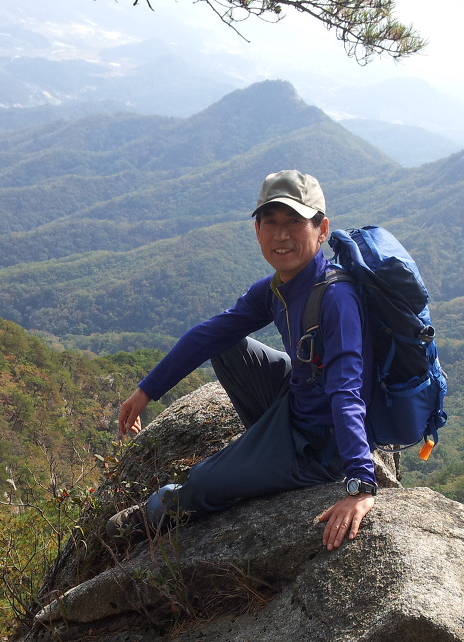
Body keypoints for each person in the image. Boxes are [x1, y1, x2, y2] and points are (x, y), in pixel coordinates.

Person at [108, 170, 377, 551]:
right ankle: (260, 449)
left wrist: (360, 483)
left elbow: (347, 390)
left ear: (322, 229)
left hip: (317, 446)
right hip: (297, 400)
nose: (281, 235)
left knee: (202, 482)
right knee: (225, 341)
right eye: (271, 222)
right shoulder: (278, 288)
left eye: (295, 222)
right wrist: (146, 391)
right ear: (257, 230)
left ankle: (154, 512)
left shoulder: (336, 298)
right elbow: (209, 334)